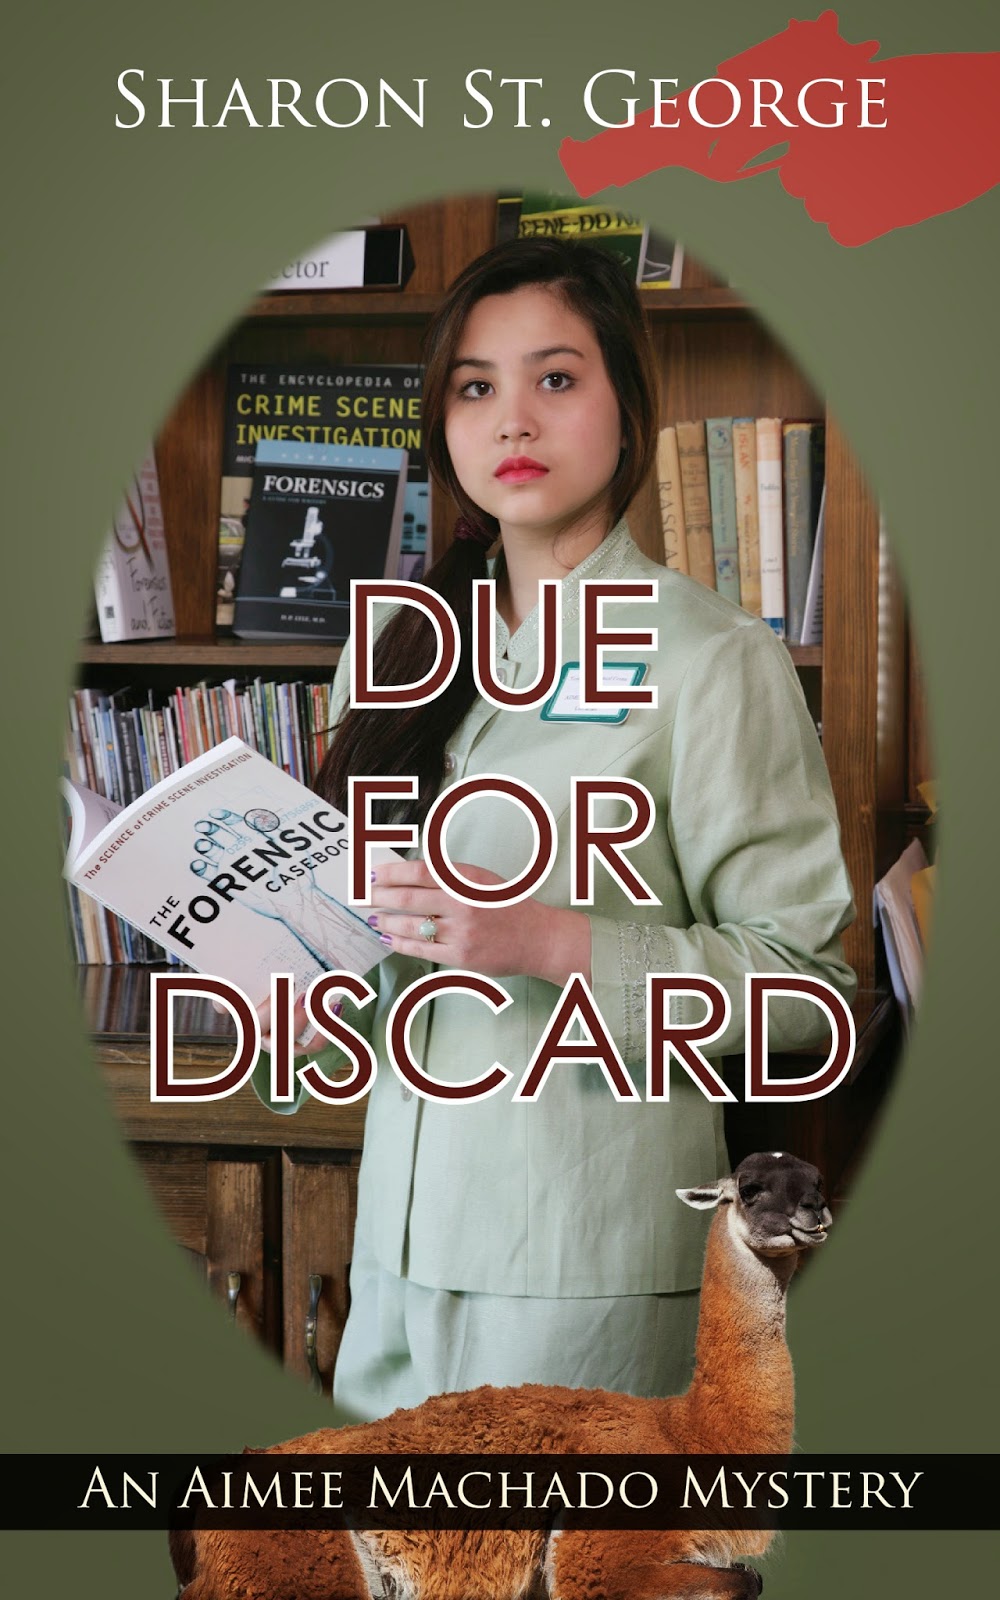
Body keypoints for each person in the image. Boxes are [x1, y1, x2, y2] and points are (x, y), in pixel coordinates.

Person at [253, 236, 857, 1424]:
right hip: (396, 1260)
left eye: (556, 378)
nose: (511, 419)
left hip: (586, 1272)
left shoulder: (714, 662)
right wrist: (290, 985)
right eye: (475, 386)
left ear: (627, 411)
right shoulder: (394, 651)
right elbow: (377, 987)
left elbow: (804, 989)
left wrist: (545, 941)